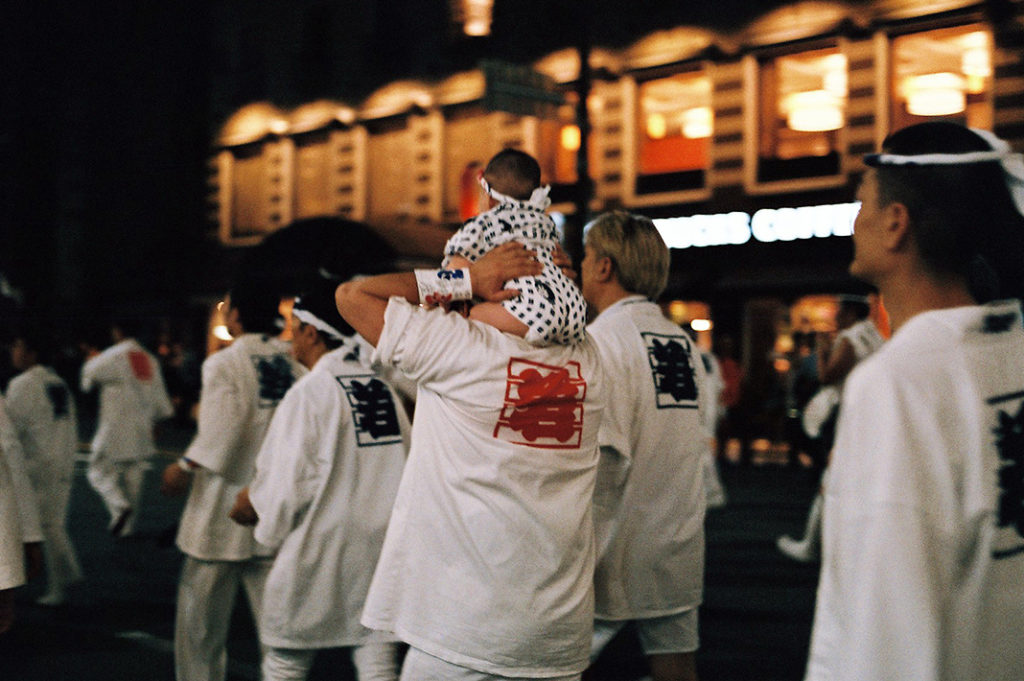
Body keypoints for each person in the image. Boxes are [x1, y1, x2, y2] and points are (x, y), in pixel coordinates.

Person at [804, 122, 1024, 681]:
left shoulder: (899, 384)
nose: (855, 221)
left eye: (861, 203)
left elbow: (885, 630)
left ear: (896, 224)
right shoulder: (1012, 344)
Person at [335, 241, 606, 681]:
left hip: (464, 631)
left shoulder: (463, 350)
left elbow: (353, 296)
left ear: (502, 291)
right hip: (557, 634)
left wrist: (465, 278)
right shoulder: (590, 360)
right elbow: (559, 318)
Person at [228, 282, 410, 681]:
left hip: (321, 546)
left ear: (312, 332)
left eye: (294, 327)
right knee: (378, 662)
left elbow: (289, 481)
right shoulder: (381, 388)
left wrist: (256, 508)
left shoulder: (311, 391)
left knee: (285, 662)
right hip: (381, 548)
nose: (289, 336)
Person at [578, 211, 709, 681]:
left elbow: (603, 453)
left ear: (605, 267)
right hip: (678, 529)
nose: (580, 265)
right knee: (676, 662)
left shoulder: (599, 340)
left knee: (552, 665)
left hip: (619, 536)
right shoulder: (682, 341)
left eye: (586, 255)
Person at [161, 285, 306, 681]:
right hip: (273, 502)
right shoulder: (294, 363)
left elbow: (220, 431)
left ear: (238, 316)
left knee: (201, 623)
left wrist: (184, 465)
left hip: (222, 505)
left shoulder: (225, 363)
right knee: (274, 626)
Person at [440, 148, 587, 346]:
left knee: (458, 321)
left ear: (488, 197)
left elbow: (454, 276)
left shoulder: (483, 224)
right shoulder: (544, 223)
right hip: (572, 312)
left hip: (528, 311)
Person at [777, 295, 884, 563]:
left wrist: (823, 350)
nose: (835, 317)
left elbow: (826, 377)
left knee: (832, 478)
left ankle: (811, 546)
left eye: (839, 312)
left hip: (844, 415)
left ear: (850, 313)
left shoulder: (852, 339)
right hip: (869, 414)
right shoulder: (876, 336)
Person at [5, 327, 82, 605]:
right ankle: (67, 574)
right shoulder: (57, 382)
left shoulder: (23, 384)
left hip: (37, 464)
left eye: (18, 346)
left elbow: (10, 427)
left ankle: (62, 583)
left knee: (47, 526)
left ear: (31, 353)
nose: (13, 352)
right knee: (52, 524)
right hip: (60, 460)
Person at [81, 316, 174, 537]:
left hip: (115, 427)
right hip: (141, 429)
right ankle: (127, 528)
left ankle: (118, 504)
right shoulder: (149, 359)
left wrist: (92, 360)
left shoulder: (113, 356)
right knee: (134, 478)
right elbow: (161, 399)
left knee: (97, 470)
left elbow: (88, 378)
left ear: (117, 331)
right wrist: (158, 420)